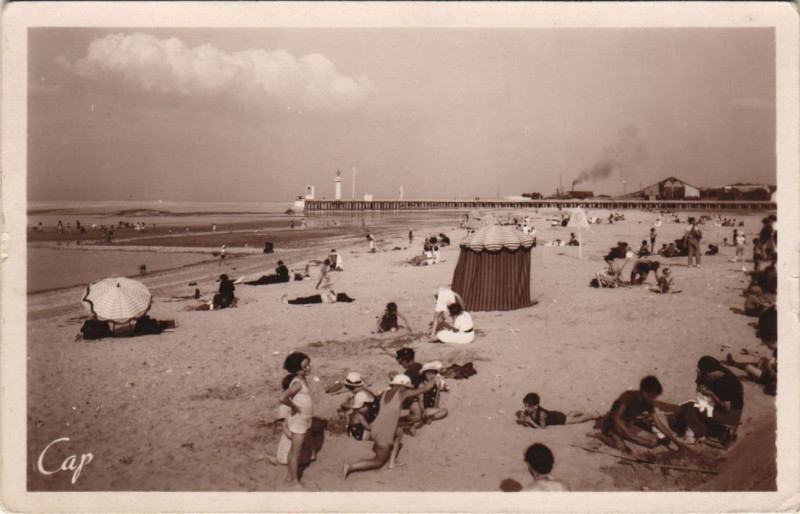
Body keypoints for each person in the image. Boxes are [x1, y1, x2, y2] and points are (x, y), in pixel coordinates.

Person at [343, 374, 436, 478]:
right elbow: (426, 388)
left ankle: (392, 462)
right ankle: (351, 466)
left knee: (399, 432)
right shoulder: (402, 393)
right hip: (384, 433)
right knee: (377, 462)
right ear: (403, 386)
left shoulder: (386, 393)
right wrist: (434, 377)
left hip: (377, 425)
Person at [594, 376, 685, 453]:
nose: (654, 399)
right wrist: (631, 435)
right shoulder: (628, 396)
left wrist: (677, 442)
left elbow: (659, 424)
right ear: (645, 392)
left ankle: (623, 436)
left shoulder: (647, 403)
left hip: (627, 425)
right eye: (653, 396)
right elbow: (616, 418)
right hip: (612, 424)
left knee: (653, 442)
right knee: (620, 447)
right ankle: (599, 435)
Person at [677, 356, 744, 446]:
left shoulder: (726, 383)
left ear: (709, 372)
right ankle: (701, 429)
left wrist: (711, 394)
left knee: (691, 407)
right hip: (734, 412)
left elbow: (726, 407)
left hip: (730, 416)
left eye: (705, 374)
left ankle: (691, 437)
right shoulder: (725, 374)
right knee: (693, 407)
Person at [516, 393, 599, 429]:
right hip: (553, 414)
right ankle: (581, 411)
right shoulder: (529, 411)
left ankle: (593, 415)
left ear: (536, 406)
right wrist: (525, 420)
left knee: (577, 420)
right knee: (569, 416)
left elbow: (542, 428)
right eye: (525, 405)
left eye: (528, 406)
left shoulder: (541, 414)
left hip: (559, 419)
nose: (526, 408)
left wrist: (530, 421)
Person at [393, 348, 425, 429]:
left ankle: (398, 420)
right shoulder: (419, 365)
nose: (400, 364)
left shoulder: (409, 372)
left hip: (414, 398)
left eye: (400, 362)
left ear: (404, 360)